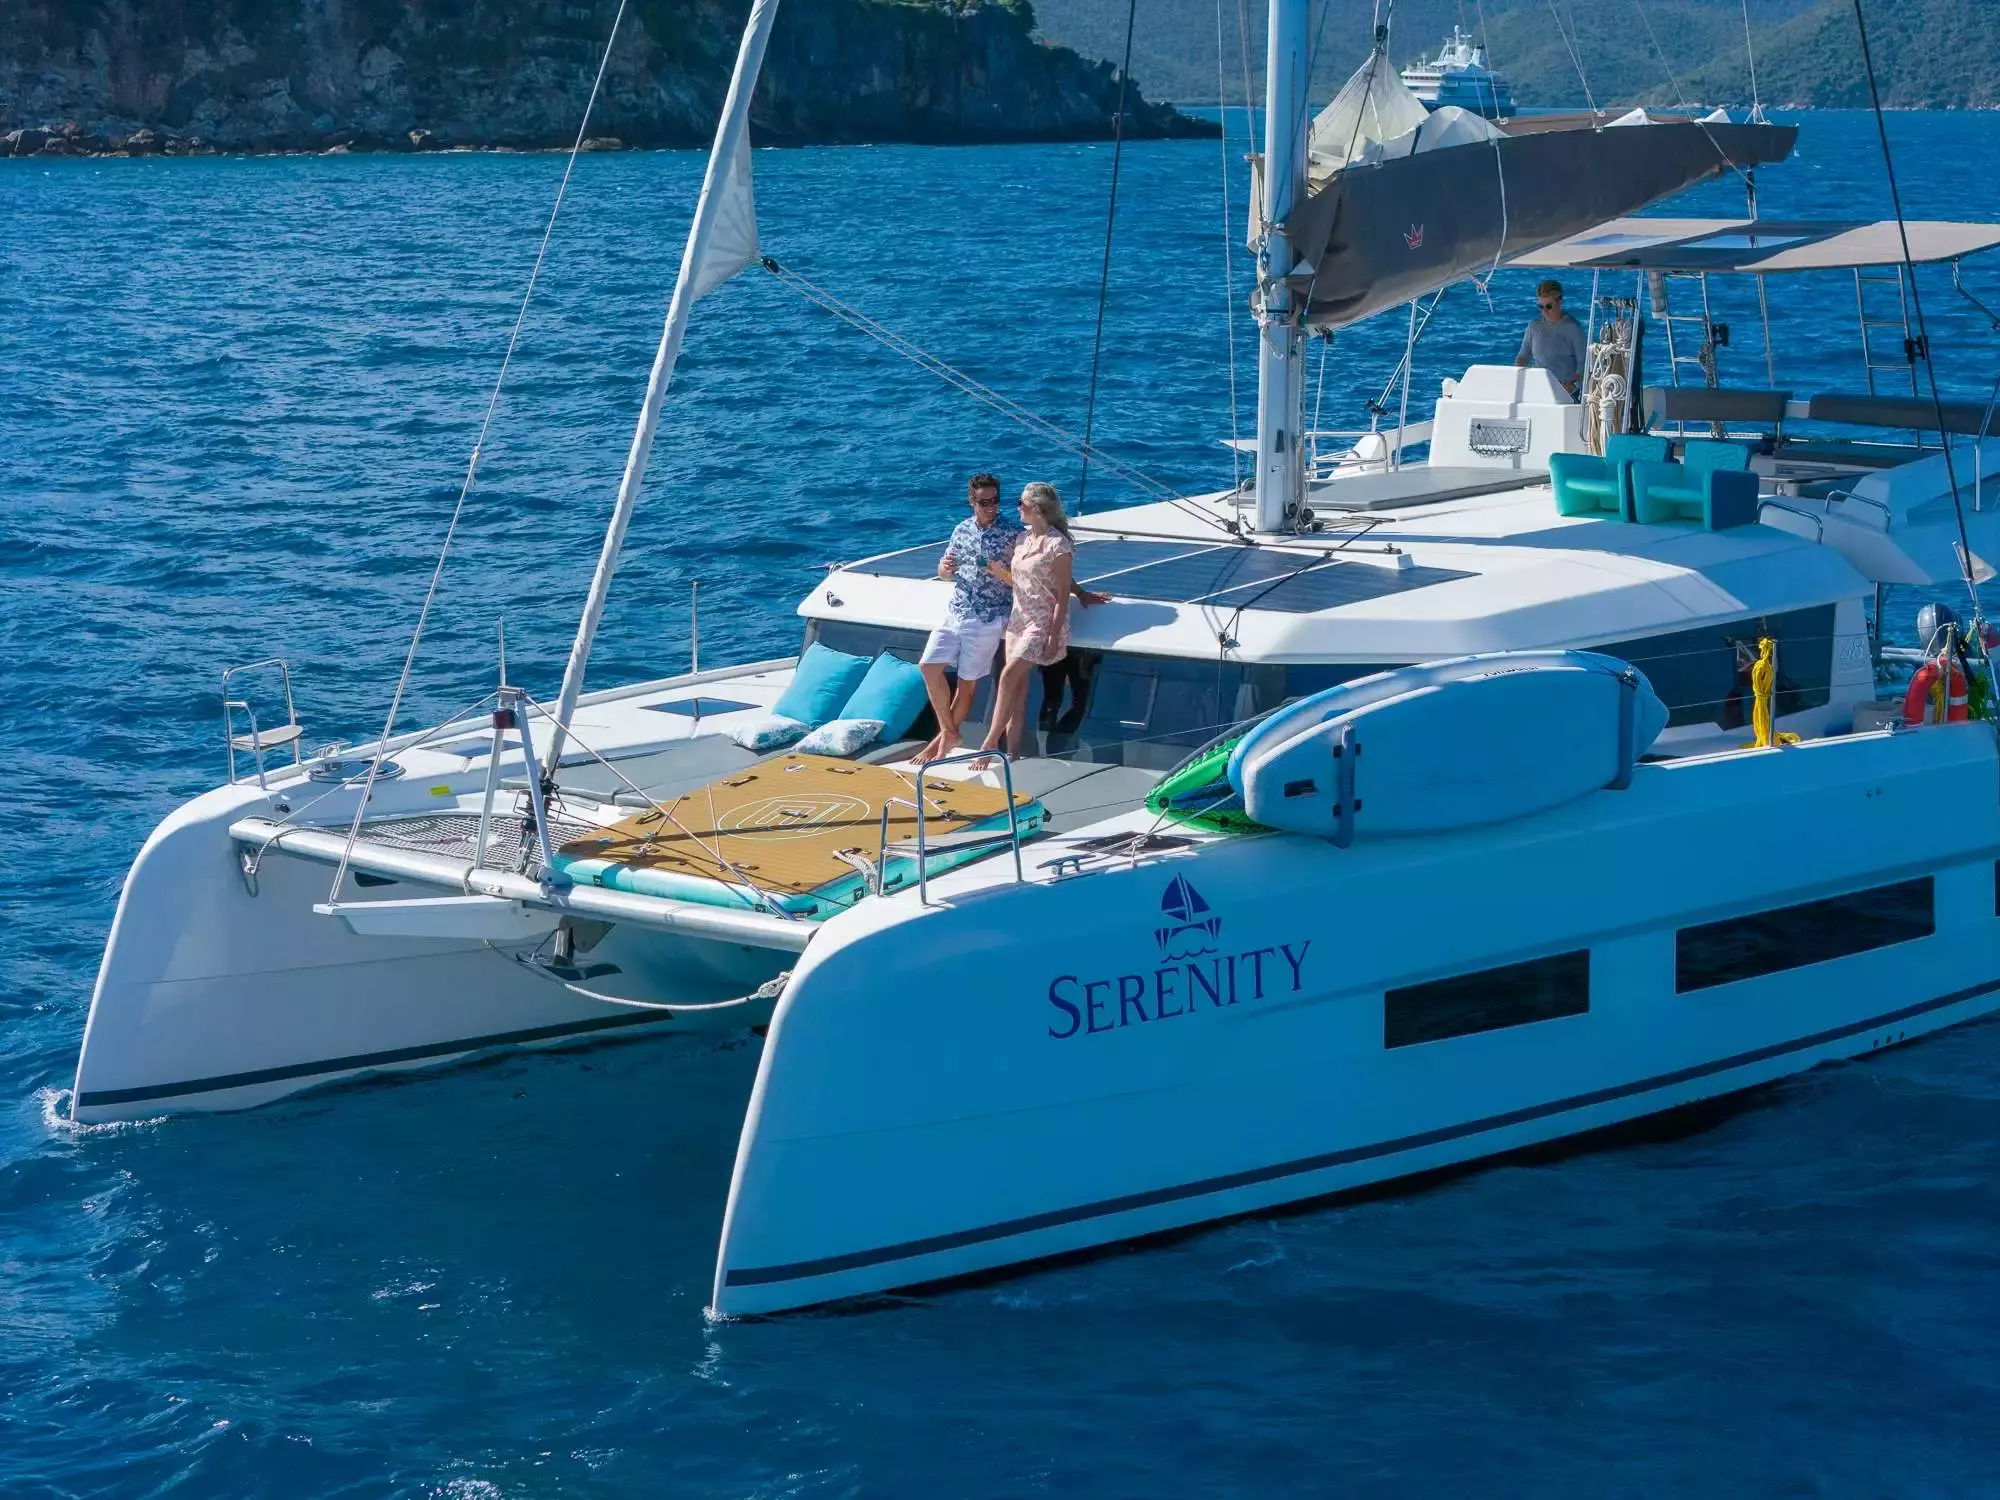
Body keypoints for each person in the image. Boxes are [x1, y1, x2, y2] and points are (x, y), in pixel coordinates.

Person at [917, 473, 1023, 762]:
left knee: (967, 683)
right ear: (972, 503)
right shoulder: (961, 530)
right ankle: (949, 733)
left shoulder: (1014, 534)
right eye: (984, 502)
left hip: (987, 616)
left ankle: (940, 744)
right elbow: (944, 571)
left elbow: (1021, 581)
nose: (991, 507)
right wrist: (944, 569)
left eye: (995, 500)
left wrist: (996, 570)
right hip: (956, 609)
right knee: (928, 667)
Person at [974, 482, 1078, 764]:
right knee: (1018, 692)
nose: (1017, 507)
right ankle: (1013, 753)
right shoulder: (1022, 539)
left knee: (1008, 676)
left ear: (1037, 509)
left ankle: (989, 743)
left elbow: (1062, 596)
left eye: (1022, 503)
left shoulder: (1058, 546)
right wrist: (994, 569)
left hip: (1041, 624)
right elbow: (1019, 582)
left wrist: (1053, 636)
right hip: (1018, 620)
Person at [1515, 278, 1588, 400]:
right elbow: (1523, 357)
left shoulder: (1573, 328)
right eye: (1541, 307)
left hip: (1567, 395)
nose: (1544, 311)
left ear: (1560, 302)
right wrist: (1518, 379)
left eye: (1548, 306)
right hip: (1539, 392)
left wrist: (1573, 384)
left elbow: (1584, 364)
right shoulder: (1533, 327)